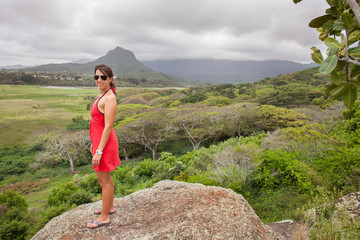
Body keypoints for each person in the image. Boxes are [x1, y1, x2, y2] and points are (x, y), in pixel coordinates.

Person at [87, 64, 121, 229]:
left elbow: (108, 127)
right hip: (100, 143)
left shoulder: (109, 98)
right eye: (96, 77)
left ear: (110, 79)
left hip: (105, 145)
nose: (99, 80)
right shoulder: (104, 94)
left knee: (104, 180)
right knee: (105, 180)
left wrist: (99, 151)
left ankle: (104, 217)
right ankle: (110, 207)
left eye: (103, 77)